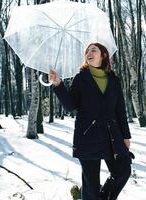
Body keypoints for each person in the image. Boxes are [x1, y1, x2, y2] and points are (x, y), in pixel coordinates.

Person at [49, 42, 132, 200]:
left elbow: (120, 110)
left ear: (103, 55)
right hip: (88, 136)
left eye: (93, 50)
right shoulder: (81, 78)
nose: (89, 52)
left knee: (123, 171)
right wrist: (58, 84)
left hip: (112, 136)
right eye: (87, 51)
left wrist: (126, 136)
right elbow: (70, 105)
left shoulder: (114, 80)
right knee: (91, 187)